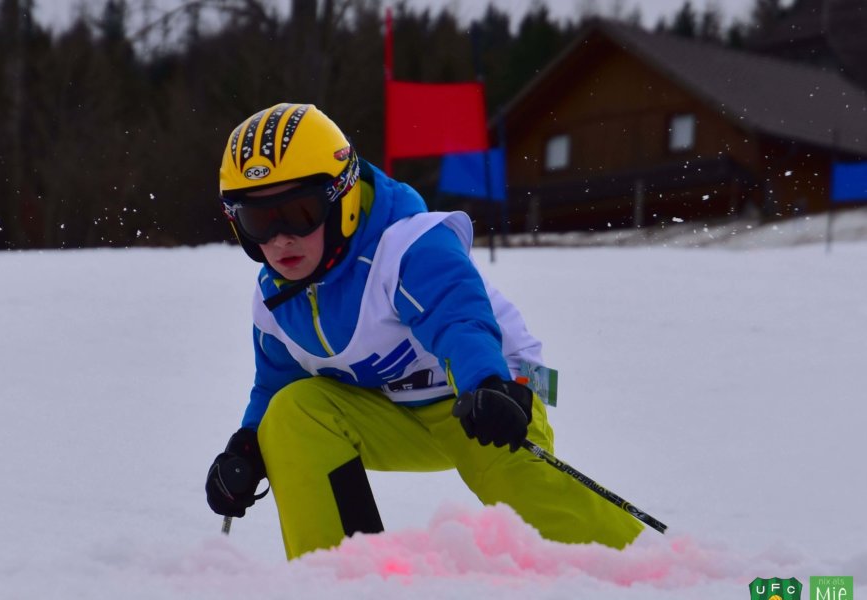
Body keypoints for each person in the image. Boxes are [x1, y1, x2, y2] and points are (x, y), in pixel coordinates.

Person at [205, 103, 644, 560]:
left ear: (342, 198)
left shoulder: (406, 246)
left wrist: (486, 383)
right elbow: (276, 383)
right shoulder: (275, 300)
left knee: (515, 487)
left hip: (481, 394)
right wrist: (248, 449)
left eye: (298, 213)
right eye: (258, 220)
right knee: (291, 413)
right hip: (392, 413)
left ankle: (645, 566)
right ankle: (340, 576)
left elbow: (459, 320)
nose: (279, 239)